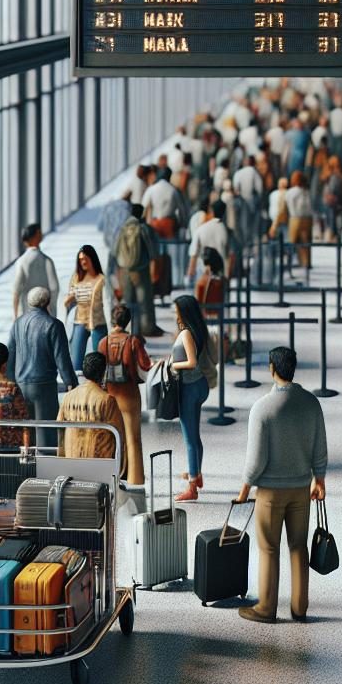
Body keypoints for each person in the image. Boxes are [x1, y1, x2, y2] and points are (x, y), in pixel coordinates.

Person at [234, 346, 328, 625]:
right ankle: (300, 608)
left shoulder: (262, 408)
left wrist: (243, 491)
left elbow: (256, 460)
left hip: (270, 494)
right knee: (299, 547)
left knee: (269, 548)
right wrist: (319, 479)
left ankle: (267, 608)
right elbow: (319, 447)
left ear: (272, 369)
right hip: (301, 489)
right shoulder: (311, 403)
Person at [7, 286, 78, 448]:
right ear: (48, 301)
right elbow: (62, 359)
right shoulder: (53, 325)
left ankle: (28, 467)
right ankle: (46, 468)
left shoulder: (18, 323)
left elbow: (10, 355)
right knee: (47, 434)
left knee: (26, 433)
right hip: (44, 386)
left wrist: (10, 382)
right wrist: (71, 383)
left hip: (21, 385)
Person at [98, 305, 152, 486]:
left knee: (112, 438)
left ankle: (111, 476)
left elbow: (98, 369)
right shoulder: (133, 341)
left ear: (112, 320)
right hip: (129, 394)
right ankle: (135, 479)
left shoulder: (103, 342)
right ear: (127, 321)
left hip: (110, 395)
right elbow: (145, 364)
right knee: (133, 438)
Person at [169, 295, 212, 502]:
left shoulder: (186, 333)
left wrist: (172, 365)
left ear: (183, 311)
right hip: (200, 384)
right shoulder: (196, 329)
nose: (173, 311)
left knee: (189, 439)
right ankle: (197, 474)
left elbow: (191, 362)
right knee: (195, 435)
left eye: (176, 309)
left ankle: (192, 487)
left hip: (189, 387)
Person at [56, 352, 127, 475]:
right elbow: (120, 435)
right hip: (99, 466)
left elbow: (59, 429)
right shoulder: (107, 400)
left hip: (71, 462)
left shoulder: (68, 397)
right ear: (104, 373)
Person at [112, 204, 161, 338]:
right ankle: (147, 329)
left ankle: (129, 330)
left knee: (128, 302)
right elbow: (154, 251)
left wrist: (119, 269)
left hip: (125, 270)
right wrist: (153, 266)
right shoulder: (144, 228)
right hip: (141, 270)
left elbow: (115, 251)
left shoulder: (122, 229)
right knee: (144, 301)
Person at [64, 245, 107, 373]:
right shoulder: (76, 278)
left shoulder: (101, 279)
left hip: (98, 322)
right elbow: (71, 296)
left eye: (86, 259)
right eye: (80, 259)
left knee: (99, 361)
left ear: (92, 259)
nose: (83, 262)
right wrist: (68, 300)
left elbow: (108, 301)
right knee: (76, 362)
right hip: (80, 320)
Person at [11, 223, 60, 319]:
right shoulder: (47, 260)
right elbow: (54, 287)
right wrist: (52, 310)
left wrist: (15, 315)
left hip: (26, 312)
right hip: (45, 313)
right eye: (39, 232)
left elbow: (16, 291)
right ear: (36, 235)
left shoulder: (21, 261)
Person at [186, 199, 232, 284]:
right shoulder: (226, 232)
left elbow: (193, 253)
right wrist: (227, 276)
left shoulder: (201, 229)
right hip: (220, 276)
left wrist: (190, 273)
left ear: (211, 211)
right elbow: (229, 256)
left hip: (202, 272)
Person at [143, 166, 188, 239]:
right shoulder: (173, 190)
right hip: (169, 224)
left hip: (155, 223)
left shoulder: (151, 189)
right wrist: (183, 224)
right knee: (170, 246)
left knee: (156, 246)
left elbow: (143, 207)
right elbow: (181, 210)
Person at [286, 171, 314, 272]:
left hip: (295, 218)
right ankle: (306, 262)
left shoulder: (291, 192)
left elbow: (288, 205)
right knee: (306, 242)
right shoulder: (306, 191)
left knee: (292, 242)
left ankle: (290, 263)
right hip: (307, 218)